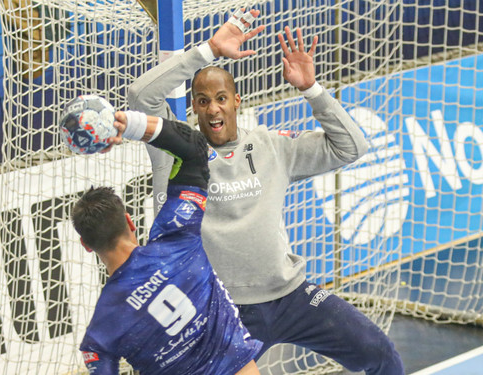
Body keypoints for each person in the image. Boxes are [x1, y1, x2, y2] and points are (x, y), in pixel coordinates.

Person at [128, 9, 405, 375]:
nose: (213, 108)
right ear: (193, 106)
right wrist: (210, 48)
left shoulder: (272, 146)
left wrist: (312, 89)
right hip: (222, 313)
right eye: (203, 100)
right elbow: (140, 95)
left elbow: (352, 147)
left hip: (291, 297)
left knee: (381, 354)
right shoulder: (177, 152)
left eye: (221, 98)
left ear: (237, 101)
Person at [71, 109, 263, 374]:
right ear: (129, 221)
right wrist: (129, 125)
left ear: (86, 245)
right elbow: (195, 148)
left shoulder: (103, 329)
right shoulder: (177, 235)